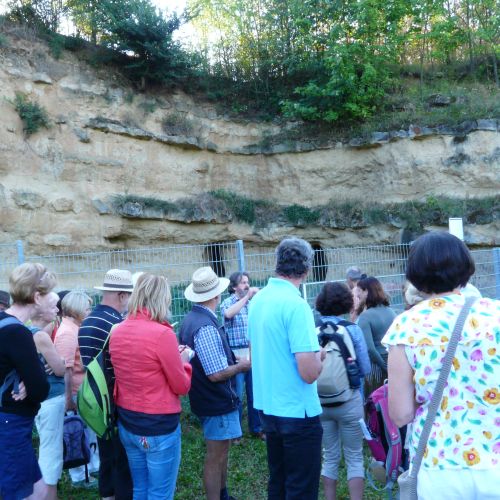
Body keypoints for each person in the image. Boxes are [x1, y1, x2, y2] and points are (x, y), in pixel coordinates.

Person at [383, 231, 500, 499]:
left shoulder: (405, 326)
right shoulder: (496, 314)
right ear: (466, 267)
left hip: (438, 467)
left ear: (415, 274)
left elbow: (400, 414)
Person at [247, 237, 325, 500]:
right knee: (301, 488)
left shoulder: (257, 301)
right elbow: (309, 372)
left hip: (268, 407)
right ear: (307, 269)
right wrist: (320, 356)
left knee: (278, 482)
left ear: (277, 263)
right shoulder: (297, 305)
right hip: (297, 411)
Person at [110, 273, 193, 500]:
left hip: (128, 421)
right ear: (161, 299)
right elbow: (181, 386)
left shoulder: (116, 330)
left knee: (140, 488)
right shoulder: (163, 333)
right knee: (160, 493)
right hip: (158, 425)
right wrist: (184, 362)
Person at [179, 266, 251, 500]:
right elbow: (216, 373)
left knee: (221, 452)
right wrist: (241, 366)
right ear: (216, 295)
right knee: (215, 455)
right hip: (216, 400)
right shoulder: (206, 326)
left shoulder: (192, 319)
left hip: (206, 398)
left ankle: (223, 494)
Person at [79, 269, 134, 500]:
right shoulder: (116, 324)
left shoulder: (87, 320)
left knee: (106, 456)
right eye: (129, 296)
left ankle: (107, 495)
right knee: (122, 462)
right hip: (115, 402)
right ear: (122, 295)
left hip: (96, 402)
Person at [0, 263, 54, 499]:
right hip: (10, 424)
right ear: (36, 297)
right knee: (17, 493)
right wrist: (33, 378)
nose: (53, 296)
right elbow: (41, 389)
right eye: (49, 291)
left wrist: (25, 378)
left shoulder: (4, 322)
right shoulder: (18, 333)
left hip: (11, 424)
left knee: (39, 490)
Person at [315, 282, 371, 500]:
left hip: (320, 403)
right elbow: (365, 368)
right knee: (354, 456)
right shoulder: (352, 329)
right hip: (349, 401)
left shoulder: (313, 330)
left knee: (329, 457)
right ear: (346, 303)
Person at [55, 290, 99, 488]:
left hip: (81, 390)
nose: (90, 311)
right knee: (76, 432)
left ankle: (91, 468)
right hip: (75, 392)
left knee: (86, 432)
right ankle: (80, 476)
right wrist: (68, 400)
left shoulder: (74, 327)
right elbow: (66, 370)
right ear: (77, 309)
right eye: (87, 308)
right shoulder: (67, 333)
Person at [30, 291, 67, 500]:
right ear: (40, 308)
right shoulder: (41, 335)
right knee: (51, 454)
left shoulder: (27, 329)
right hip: (52, 399)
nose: (56, 310)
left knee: (47, 447)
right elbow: (60, 369)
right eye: (53, 306)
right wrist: (60, 361)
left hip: (40, 401)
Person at [220, 271, 262, 439]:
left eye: (248, 282)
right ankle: (235, 433)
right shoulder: (228, 302)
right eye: (243, 282)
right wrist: (246, 298)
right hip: (236, 355)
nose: (247, 285)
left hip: (253, 352)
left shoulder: (254, 303)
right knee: (236, 395)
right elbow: (228, 314)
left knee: (255, 393)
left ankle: (257, 428)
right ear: (234, 286)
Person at [353, 276, 396, 396]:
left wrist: (384, 367)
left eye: (359, 292)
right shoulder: (390, 311)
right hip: (393, 360)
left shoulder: (365, 316)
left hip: (377, 367)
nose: (358, 296)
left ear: (366, 291)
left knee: (375, 403)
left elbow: (370, 349)